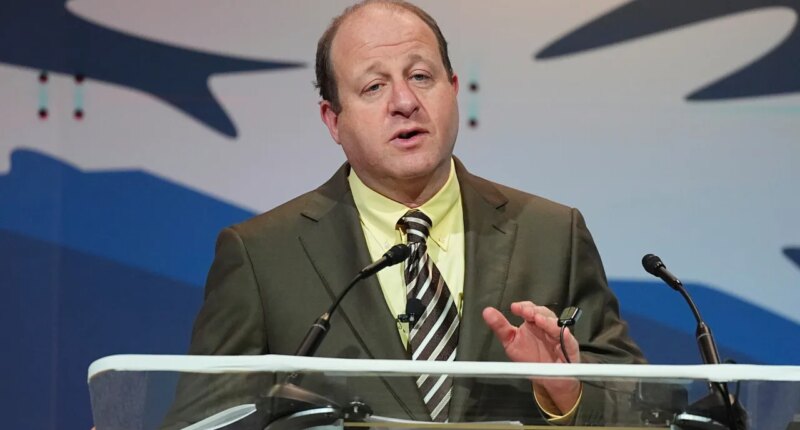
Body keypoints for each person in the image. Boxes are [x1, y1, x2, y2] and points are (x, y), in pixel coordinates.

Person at [162, 1, 644, 427]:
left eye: (421, 76)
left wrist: (567, 394)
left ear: (453, 89)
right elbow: (205, 421)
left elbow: (642, 409)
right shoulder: (264, 256)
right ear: (333, 119)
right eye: (373, 86)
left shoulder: (552, 234)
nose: (405, 102)